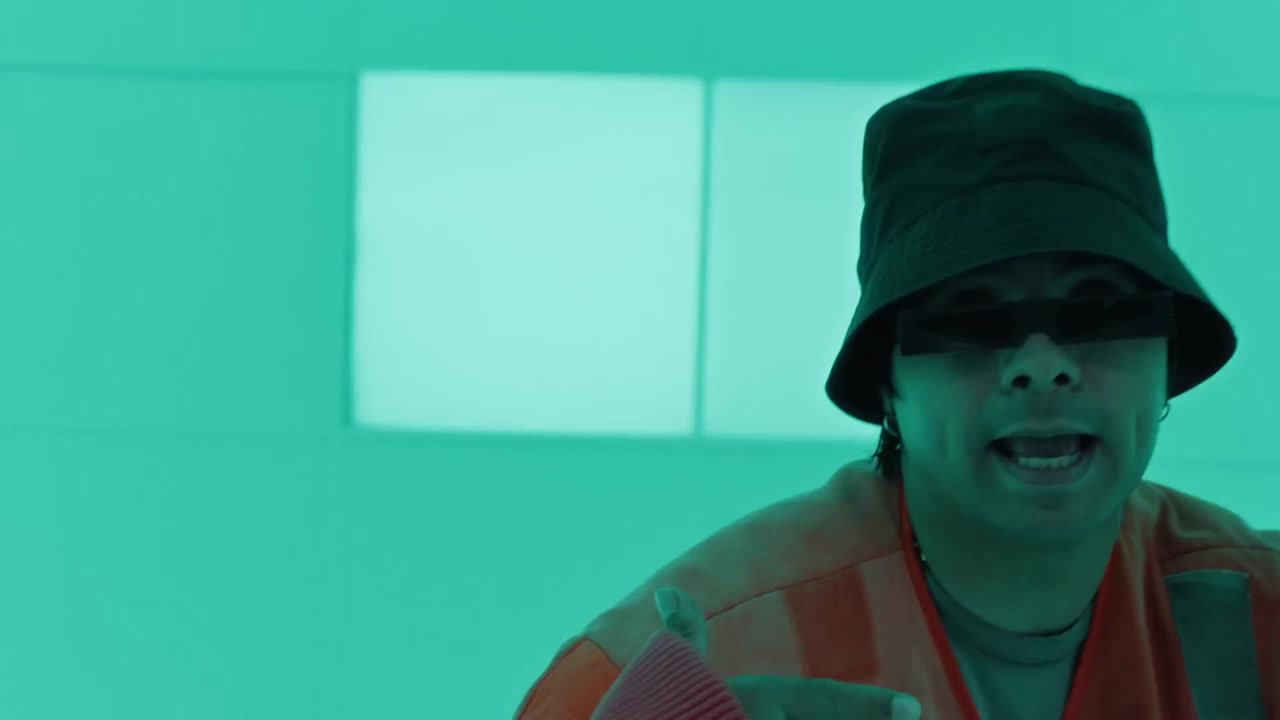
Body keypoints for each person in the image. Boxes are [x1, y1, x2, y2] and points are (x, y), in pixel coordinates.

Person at [513, 69, 1279, 720]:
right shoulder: (665, 677)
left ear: (1167, 354)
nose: (1041, 365)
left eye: (1101, 306)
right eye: (970, 314)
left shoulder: (1259, 612)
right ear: (886, 379)